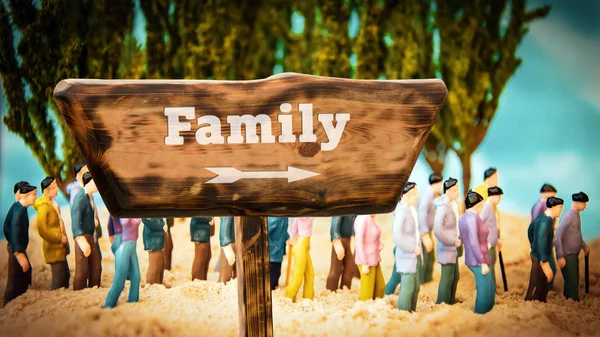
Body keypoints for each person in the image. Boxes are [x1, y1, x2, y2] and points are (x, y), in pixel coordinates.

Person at [459, 191, 495, 314]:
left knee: (489, 284)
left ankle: (489, 308)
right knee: (484, 285)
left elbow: (467, 238)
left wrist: (486, 244)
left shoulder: (465, 217)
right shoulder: (472, 218)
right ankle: (482, 311)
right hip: (477, 259)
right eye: (481, 205)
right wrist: (481, 262)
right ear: (477, 205)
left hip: (479, 254)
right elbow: (473, 241)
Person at [525, 197, 564, 302]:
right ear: (553, 207)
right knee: (536, 281)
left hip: (539, 254)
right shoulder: (545, 222)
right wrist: (544, 261)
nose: (561, 210)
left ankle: (540, 299)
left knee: (543, 281)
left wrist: (533, 244)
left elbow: (530, 230)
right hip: (540, 257)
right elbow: (541, 241)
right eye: (560, 207)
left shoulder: (541, 218)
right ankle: (530, 300)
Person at [3, 184, 36, 306]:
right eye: (33, 195)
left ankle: (21, 294)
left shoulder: (18, 208)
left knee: (24, 272)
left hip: (17, 247)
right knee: (14, 277)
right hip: (17, 249)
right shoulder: (19, 212)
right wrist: (18, 252)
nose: (35, 198)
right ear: (26, 196)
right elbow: (14, 231)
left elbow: (6, 227)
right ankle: (8, 303)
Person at [34, 177, 70, 290]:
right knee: (59, 278)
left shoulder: (53, 202)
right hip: (54, 247)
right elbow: (43, 230)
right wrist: (59, 238)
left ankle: (64, 297)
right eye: (53, 187)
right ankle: (56, 297)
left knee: (66, 274)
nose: (56, 189)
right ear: (46, 190)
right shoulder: (44, 207)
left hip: (61, 247)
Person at [555, 192, 590, 301]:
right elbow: (558, 236)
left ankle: (569, 297)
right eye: (583, 203)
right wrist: (560, 255)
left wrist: (583, 245)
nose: (585, 205)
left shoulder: (576, 214)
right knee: (572, 279)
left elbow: (575, 234)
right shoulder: (569, 216)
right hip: (568, 254)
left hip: (573, 254)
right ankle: (572, 300)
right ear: (577, 202)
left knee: (573, 277)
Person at [393, 182, 422, 312]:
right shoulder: (402, 212)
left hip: (414, 256)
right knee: (408, 287)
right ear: (408, 195)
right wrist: (412, 247)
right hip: (407, 255)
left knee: (415, 287)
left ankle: (412, 311)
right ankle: (404, 312)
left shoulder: (412, 209)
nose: (418, 196)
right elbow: (397, 237)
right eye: (415, 193)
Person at [67, 163, 103, 264]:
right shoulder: (77, 192)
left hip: (92, 232)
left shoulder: (89, 188)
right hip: (85, 234)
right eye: (85, 171)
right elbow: (76, 215)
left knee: (96, 262)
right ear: (79, 175)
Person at [71, 172, 102, 290]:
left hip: (90, 236)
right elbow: (76, 220)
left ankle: (94, 288)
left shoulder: (89, 197)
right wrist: (80, 239)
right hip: (83, 237)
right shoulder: (80, 199)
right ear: (89, 183)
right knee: (82, 269)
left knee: (96, 265)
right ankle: (79, 290)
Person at [434, 177, 462, 305]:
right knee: (447, 277)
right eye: (455, 189)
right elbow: (438, 231)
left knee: (455, 276)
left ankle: (450, 301)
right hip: (447, 248)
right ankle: (442, 303)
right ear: (448, 191)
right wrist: (452, 240)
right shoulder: (443, 207)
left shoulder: (454, 204)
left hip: (455, 246)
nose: (458, 191)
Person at [104, 218, 141, 308]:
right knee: (119, 282)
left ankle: (133, 301)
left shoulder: (133, 209)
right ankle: (108, 305)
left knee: (136, 277)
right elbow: (118, 223)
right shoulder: (122, 211)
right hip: (124, 248)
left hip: (132, 247)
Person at [530, 183, 558, 291]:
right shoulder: (539, 207)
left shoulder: (548, 206)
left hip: (547, 241)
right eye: (552, 196)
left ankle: (547, 288)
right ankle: (545, 288)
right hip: (542, 242)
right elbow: (536, 225)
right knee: (547, 267)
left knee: (550, 267)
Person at [418, 173, 443, 284]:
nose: (441, 186)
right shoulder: (427, 196)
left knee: (430, 256)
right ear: (436, 184)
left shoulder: (433, 195)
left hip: (429, 229)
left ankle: (427, 279)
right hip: (424, 231)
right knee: (426, 256)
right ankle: (423, 280)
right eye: (440, 184)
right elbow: (422, 213)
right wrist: (424, 234)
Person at [354, 214, 385, 301]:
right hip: (367, 261)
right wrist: (364, 262)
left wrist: (380, 244)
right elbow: (358, 242)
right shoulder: (362, 219)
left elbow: (374, 235)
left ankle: (377, 308)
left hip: (375, 258)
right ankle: (364, 309)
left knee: (380, 287)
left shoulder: (372, 217)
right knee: (367, 292)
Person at [326, 215, 360, 291]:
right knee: (336, 268)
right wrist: (335, 240)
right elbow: (335, 222)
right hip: (340, 240)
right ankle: (330, 289)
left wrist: (356, 235)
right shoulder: (341, 208)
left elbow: (354, 222)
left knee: (350, 267)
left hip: (348, 241)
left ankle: (345, 287)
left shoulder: (353, 210)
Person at [285, 217, 315, 301]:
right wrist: (293, 239)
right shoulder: (303, 215)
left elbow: (294, 226)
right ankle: (289, 297)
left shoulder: (302, 216)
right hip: (300, 246)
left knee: (310, 273)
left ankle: (308, 297)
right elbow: (294, 226)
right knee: (298, 277)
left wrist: (294, 238)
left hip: (303, 246)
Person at [479, 186, 504, 284]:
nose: (499, 199)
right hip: (487, 245)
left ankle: (491, 286)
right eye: (498, 197)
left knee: (492, 263)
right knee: (488, 265)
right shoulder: (486, 209)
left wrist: (497, 239)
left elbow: (494, 227)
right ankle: (489, 286)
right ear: (493, 196)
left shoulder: (493, 210)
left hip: (492, 243)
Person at [268, 217, 289, 290]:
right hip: (273, 253)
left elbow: (283, 230)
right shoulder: (275, 218)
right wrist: (273, 247)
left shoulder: (283, 218)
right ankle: (271, 291)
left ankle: (273, 290)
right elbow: (265, 232)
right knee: (273, 275)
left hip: (278, 252)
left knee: (277, 273)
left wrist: (288, 238)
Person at [142, 218, 166, 284]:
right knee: (154, 265)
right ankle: (151, 284)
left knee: (159, 264)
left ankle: (157, 283)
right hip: (153, 238)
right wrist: (162, 224)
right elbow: (146, 219)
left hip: (157, 237)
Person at [190, 217, 214, 281]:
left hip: (205, 229)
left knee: (207, 255)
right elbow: (198, 213)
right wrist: (209, 219)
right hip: (199, 230)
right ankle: (197, 279)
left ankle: (203, 278)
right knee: (201, 255)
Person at [218, 216, 236, 282]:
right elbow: (225, 220)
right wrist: (225, 244)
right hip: (230, 244)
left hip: (237, 242)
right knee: (226, 273)